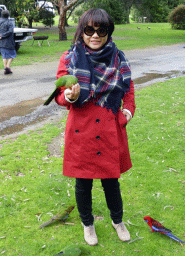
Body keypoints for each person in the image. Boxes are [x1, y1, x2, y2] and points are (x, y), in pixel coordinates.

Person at [54, 8, 136, 246]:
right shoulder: (69, 59)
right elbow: (60, 96)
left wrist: (125, 114)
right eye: (89, 30)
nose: (95, 35)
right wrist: (69, 96)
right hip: (82, 130)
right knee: (83, 182)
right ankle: (88, 225)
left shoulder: (119, 58)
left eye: (102, 30)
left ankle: (117, 220)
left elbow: (128, 92)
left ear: (109, 32)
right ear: (82, 31)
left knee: (111, 180)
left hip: (110, 129)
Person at [0, 10, 16, 75]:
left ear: (1, 15)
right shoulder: (10, 23)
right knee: (13, 54)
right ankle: (7, 67)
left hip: (0, 42)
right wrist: (2, 35)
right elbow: (10, 31)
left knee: (4, 56)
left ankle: (6, 68)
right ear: (8, 15)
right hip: (8, 42)